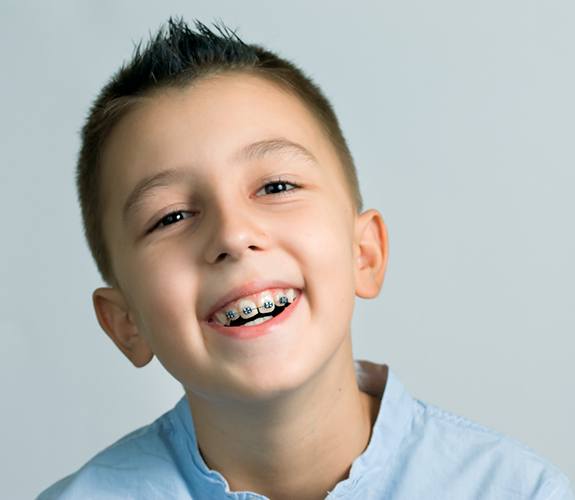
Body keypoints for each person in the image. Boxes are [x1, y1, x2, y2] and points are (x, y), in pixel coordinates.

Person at [38, 17, 573, 500]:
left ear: (363, 253)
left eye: (274, 185)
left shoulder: (518, 491)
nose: (233, 234)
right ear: (126, 323)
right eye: (172, 216)